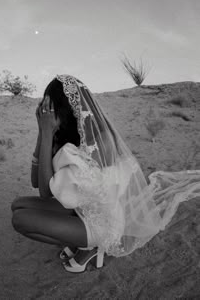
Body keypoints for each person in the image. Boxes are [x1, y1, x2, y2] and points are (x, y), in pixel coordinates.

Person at [11, 74, 200, 273]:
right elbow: (35, 180)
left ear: (63, 107)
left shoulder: (98, 143)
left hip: (101, 224)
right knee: (18, 205)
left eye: (49, 107)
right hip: (81, 208)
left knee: (21, 220)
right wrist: (43, 134)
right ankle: (73, 236)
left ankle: (90, 246)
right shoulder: (67, 136)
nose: (45, 113)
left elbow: (45, 193)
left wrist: (47, 133)